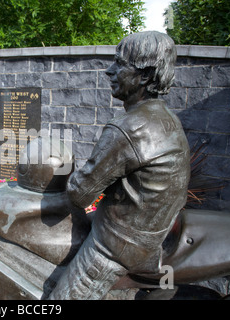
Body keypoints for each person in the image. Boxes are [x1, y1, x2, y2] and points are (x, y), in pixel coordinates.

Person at [49, 31, 191, 300]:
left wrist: (64, 174)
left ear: (146, 75)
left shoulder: (127, 128)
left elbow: (79, 195)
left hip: (116, 247)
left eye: (119, 64)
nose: (109, 71)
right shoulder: (167, 118)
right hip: (149, 233)